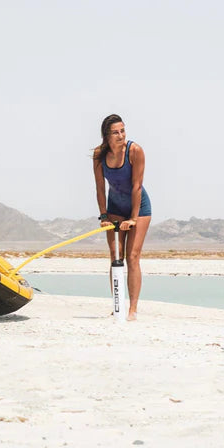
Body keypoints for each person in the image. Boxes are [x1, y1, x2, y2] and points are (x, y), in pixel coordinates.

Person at [93, 114, 152, 320]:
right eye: (115, 132)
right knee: (115, 255)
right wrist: (103, 215)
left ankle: (133, 309)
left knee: (132, 257)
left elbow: (137, 186)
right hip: (115, 207)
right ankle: (117, 304)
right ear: (106, 135)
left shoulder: (135, 151)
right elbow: (100, 187)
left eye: (123, 131)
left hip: (139, 207)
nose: (121, 135)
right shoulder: (99, 154)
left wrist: (133, 218)